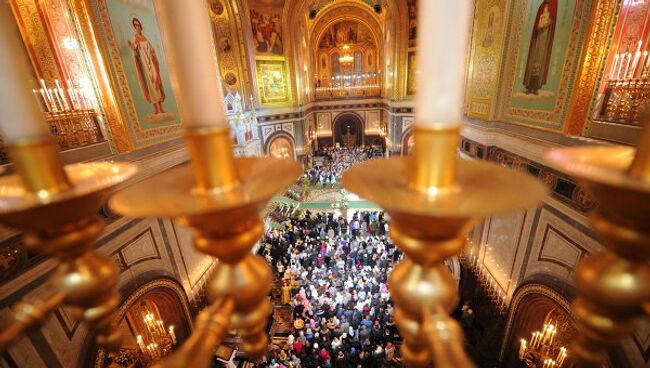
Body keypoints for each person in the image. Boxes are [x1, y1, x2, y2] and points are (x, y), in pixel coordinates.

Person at [128, 17, 166, 115]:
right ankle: (156, 108)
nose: (138, 27)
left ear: (141, 26)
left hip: (151, 62)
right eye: (135, 25)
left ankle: (161, 108)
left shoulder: (145, 38)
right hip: (144, 64)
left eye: (138, 25)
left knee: (156, 82)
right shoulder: (135, 38)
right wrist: (133, 47)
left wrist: (153, 53)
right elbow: (135, 48)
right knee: (151, 85)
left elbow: (151, 49)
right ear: (134, 27)